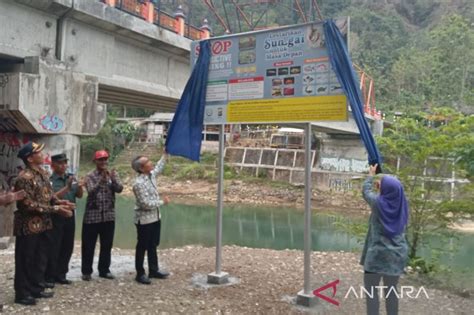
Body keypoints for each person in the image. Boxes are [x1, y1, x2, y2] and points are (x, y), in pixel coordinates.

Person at [13, 142, 74, 305]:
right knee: (26, 259)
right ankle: (22, 293)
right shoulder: (23, 178)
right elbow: (27, 204)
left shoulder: (42, 173)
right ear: (30, 158)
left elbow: (49, 195)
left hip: (44, 224)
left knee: (40, 257)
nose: (42, 153)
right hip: (28, 226)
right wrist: (56, 209)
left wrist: (61, 203)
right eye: (39, 152)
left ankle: (36, 288)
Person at [361, 164, 409, 315]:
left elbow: (366, 191)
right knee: (391, 293)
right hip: (396, 256)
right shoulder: (402, 204)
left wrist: (371, 175)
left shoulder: (378, 203)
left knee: (372, 293)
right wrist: (383, 183)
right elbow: (395, 189)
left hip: (376, 256)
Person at [82, 150, 123, 281]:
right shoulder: (89, 176)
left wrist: (112, 179)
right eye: (100, 160)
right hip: (92, 217)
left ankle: (104, 270)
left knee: (107, 245)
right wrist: (101, 179)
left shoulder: (113, 174)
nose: (103, 162)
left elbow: (120, 189)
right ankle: (86, 271)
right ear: (95, 161)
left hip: (109, 216)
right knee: (88, 245)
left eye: (105, 159)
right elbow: (91, 192)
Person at [131, 151, 170, 284]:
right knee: (142, 246)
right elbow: (145, 204)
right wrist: (162, 202)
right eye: (147, 162)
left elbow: (159, 167)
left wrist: (165, 154)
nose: (150, 163)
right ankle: (140, 273)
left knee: (153, 244)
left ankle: (153, 270)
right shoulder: (138, 184)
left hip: (155, 217)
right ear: (141, 168)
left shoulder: (151, 175)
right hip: (144, 220)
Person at [45, 153, 84, 285]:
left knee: (67, 246)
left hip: (70, 216)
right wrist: (66, 187)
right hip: (56, 216)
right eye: (60, 163)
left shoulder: (71, 178)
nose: (64, 165)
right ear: (53, 165)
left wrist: (79, 186)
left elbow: (79, 195)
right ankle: (49, 276)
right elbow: (50, 198)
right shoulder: (49, 180)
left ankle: (61, 274)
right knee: (54, 246)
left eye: (65, 162)